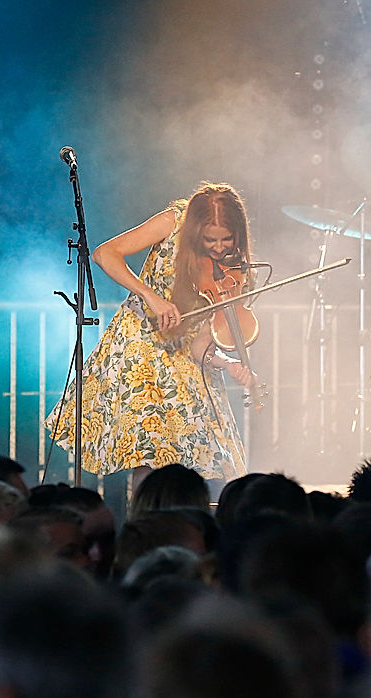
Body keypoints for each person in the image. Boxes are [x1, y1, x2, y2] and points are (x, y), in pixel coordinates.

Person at [44, 183, 255, 489]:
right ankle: (145, 523)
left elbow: (200, 347)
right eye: (210, 239)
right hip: (141, 348)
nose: (219, 247)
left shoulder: (236, 269)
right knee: (150, 450)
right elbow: (105, 254)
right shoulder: (174, 221)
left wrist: (227, 363)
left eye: (227, 239)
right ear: (196, 229)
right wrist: (151, 296)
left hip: (184, 361)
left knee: (200, 456)